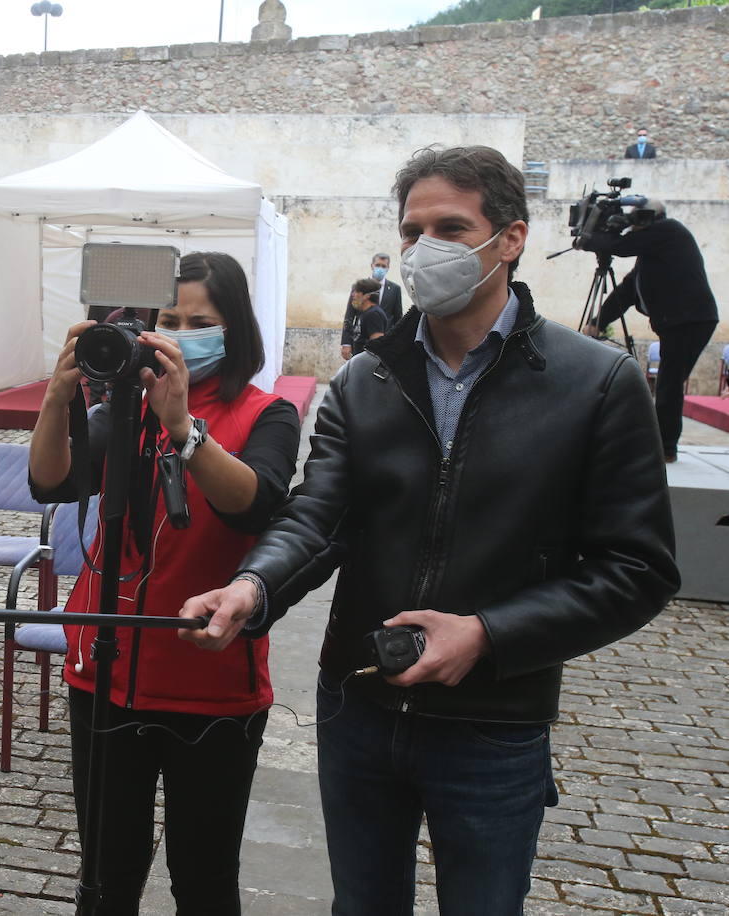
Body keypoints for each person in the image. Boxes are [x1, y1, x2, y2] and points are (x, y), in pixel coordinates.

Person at [178, 147, 677, 916]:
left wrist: (486, 633)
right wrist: (255, 584)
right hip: (361, 706)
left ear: (510, 238)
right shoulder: (364, 379)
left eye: (451, 226)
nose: (424, 248)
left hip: (494, 720)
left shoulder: (597, 383)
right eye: (412, 231)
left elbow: (637, 570)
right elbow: (320, 513)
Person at [29, 252, 301, 914]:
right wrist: (60, 396)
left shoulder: (264, 413)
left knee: (203, 879)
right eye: (169, 319)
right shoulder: (124, 410)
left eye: (200, 321)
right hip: (105, 672)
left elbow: (256, 503)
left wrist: (183, 427)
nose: (180, 333)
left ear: (235, 329)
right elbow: (51, 481)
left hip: (210, 688)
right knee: (106, 873)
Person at [579, 199, 719, 461]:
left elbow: (620, 247)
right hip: (683, 321)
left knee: (669, 383)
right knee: (669, 382)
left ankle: (665, 447)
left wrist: (591, 237)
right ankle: (660, 443)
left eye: (638, 220)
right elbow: (628, 290)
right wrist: (597, 322)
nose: (634, 226)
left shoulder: (669, 231)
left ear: (653, 219)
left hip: (690, 320)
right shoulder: (652, 254)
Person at [339, 252, 402, 360]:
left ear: (388, 268)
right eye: (378, 265)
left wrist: (397, 343)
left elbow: (397, 317)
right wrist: (346, 342)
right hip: (360, 340)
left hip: (384, 342)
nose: (380, 268)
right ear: (372, 265)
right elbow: (349, 315)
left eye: (383, 266)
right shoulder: (359, 287)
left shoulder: (395, 289)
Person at [345, 277, 387, 356]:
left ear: (367, 296)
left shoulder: (374, 314)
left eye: (357, 291)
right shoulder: (364, 313)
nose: (353, 295)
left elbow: (376, 346)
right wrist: (352, 332)